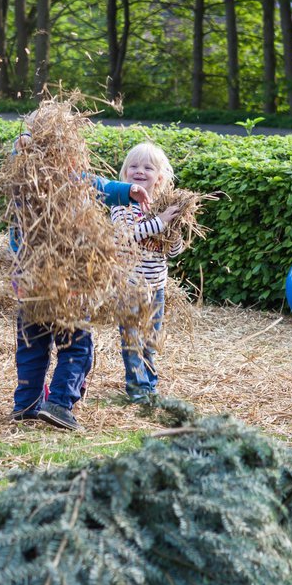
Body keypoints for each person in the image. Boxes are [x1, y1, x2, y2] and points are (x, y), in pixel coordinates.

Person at [10, 125, 151, 431]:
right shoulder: (63, 185)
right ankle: (60, 403)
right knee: (76, 346)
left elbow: (95, 183)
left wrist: (127, 191)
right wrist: (128, 191)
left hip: (28, 284)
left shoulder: (22, 189)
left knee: (31, 346)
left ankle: (26, 405)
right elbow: (94, 184)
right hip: (67, 284)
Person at [110, 142, 184, 403]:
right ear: (125, 173)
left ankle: (150, 385)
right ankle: (137, 389)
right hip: (130, 286)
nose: (140, 171)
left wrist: (173, 229)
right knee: (132, 339)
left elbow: (174, 252)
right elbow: (128, 237)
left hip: (156, 286)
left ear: (159, 177)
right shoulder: (122, 206)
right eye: (134, 166)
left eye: (148, 167)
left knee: (150, 340)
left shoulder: (161, 208)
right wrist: (160, 222)